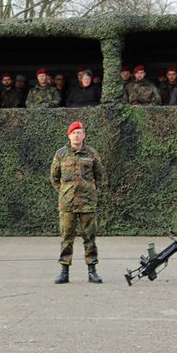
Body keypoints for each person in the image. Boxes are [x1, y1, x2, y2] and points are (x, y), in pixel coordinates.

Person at [49, 120, 105, 284]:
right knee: (67, 237)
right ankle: (64, 271)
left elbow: (100, 176)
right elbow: (54, 178)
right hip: (67, 204)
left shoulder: (92, 153)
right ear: (69, 135)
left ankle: (92, 271)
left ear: (84, 135)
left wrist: (92, 192)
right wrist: (65, 192)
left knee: (90, 237)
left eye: (79, 132)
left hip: (87, 203)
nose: (77, 135)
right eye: (74, 133)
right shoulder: (61, 154)